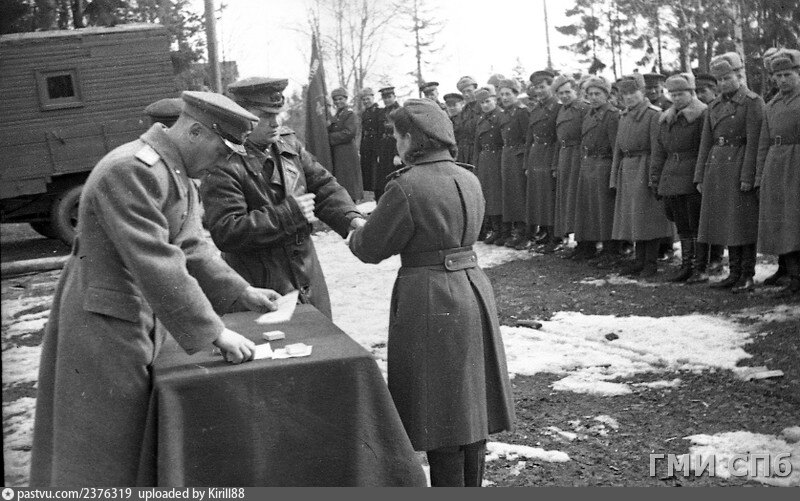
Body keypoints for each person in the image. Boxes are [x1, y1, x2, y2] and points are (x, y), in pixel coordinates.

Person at [30, 91, 281, 487]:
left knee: (135, 443)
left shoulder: (175, 172)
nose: (223, 161)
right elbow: (156, 260)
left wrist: (240, 291)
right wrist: (215, 332)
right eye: (221, 150)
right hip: (104, 323)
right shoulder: (131, 170)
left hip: (134, 315)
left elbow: (191, 246)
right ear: (195, 132)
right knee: (107, 449)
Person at [348, 98, 515, 487]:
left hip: (429, 294)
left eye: (397, 135)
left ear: (411, 138)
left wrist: (357, 228)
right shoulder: (468, 177)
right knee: (471, 404)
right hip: (472, 287)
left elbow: (370, 248)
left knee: (441, 410)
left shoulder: (406, 185)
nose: (396, 143)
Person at [200, 77, 365, 319]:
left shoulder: (288, 144)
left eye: (277, 114)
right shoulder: (222, 163)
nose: (275, 123)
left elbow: (323, 186)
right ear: (241, 116)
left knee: (322, 339)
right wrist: (289, 214)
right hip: (261, 287)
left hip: (308, 277)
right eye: (265, 116)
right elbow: (227, 231)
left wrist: (351, 219)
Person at [695, 53, 764, 293]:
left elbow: (754, 142)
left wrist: (748, 176)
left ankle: (747, 274)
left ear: (738, 76)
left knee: (743, 223)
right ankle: (733, 273)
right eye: (720, 80)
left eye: (727, 78)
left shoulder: (752, 102)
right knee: (728, 222)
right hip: (717, 167)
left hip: (739, 163)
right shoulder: (713, 106)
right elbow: (706, 143)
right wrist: (700, 175)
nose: (723, 83)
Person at [610, 74, 674, 277]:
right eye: (625, 93)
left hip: (645, 168)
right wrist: (614, 176)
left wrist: (654, 176)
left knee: (649, 217)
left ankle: (650, 262)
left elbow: (657, 149)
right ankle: (639, 260)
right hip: (628, 169)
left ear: (642, 91)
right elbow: (618, 150)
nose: (629, 97)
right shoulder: (624, 116)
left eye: (633, 92)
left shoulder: (653, 115)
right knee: (634, 218)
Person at [650, 73, 709, 282]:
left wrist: (700, 177)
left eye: (680, 94)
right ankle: (686, 265)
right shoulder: (665, 118)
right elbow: (659, 151)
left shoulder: (702, 115)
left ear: (691, 93)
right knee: (681, 223)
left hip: (692, 174)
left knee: (696, 223)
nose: (676, 98)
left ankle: (700, 267)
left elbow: (704, 147)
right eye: (673, 94)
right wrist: (655, 178)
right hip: (671, 175)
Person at [755, 49, 800, 296]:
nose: (782, 80)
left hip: (796, 163)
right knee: (783, 221)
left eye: (787, 75)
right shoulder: (771, 105)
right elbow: (763, 142)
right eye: (778, 75)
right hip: (776, 165)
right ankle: (793, 276)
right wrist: (760, 175)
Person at [574, 76, 620, 264]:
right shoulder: (589, 114)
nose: (593, 97)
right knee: (590, 209)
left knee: (605, 210)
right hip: (589, 165)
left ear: (606, 95)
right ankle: (589, 246)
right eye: (590, 94)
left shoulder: (612, 115)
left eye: (597, 94)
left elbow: (616, 147)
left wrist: (614, 174)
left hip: (603, 165)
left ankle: (611, 250)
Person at [552, 75, 589, 257]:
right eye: (560, 93)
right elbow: (558, 140)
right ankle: (575, 240)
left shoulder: (583, 108)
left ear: (576, 91)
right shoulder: (562, 109)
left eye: (568, 92)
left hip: (578, 156)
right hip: (565, 157)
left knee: (579, 200)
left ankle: (586, 243)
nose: (564, 96)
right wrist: (555, 164)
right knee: (568, 200)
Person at [524, 70, 561, 252]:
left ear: (551, 86)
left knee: (550, 196)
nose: (539, 91)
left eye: (542, 87)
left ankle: (556, 237)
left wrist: (555, 163)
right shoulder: (535, 109)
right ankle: (545, 231)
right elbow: (529, 138)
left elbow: (559, 138)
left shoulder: (558, 108)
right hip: (536, 155)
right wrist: (526, 163)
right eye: (536, 88)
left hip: (550, 153)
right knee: (539, 195)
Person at [498, 78, 530, 249]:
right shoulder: (504, 113)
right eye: (502, 94)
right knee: (510, 195)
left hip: (518, 157)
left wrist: (524, 161)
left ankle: (526, 234)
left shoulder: (522, 112)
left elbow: (528, 138)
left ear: (516, 94)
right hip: (507, 157)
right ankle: (517, 231)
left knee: (520, 195)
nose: (504, 97)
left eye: (508, 94)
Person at [474, 85, 508, 244]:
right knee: (488, 195)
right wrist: (476, 163)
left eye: (488, 101)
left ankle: (504, 231)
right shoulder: (481, 119)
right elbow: (477, 145)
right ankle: (495, 230)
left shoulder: (501, 116)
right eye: (482, 103)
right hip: (485, 160)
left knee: (498, 195)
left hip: (497, 157)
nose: (485, 105)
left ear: (494, 100)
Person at [328, 87, 364, 202]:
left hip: (347, 153)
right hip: (338, 153)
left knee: (349, 181)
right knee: (341, 180)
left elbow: (349, 133)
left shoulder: (350, 114)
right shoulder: (337, 115)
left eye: (340, 99)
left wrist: (329, 138)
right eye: (335, 100)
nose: (338, 102)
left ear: (346, 99)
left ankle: (352, 204)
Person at [375, 85, 401, 201]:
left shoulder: (400, 111)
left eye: (389, 97)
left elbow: (402, 133)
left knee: (395, 177)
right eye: (384, 98)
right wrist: (378, 153)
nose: (387, 100)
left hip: (395, 146)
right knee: (382, 179)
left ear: (394, 96)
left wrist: (398, 154)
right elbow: (378, 133)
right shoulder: (381, 112)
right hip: (383, 148)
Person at [359, 87, 382, 193]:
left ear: (373, 98)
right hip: (366, 145)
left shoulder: (379, 111)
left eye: (368, 99)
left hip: (375, 145)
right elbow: (363, 132)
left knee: (375, 173)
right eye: (363, 99)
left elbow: (380, 131)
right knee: (367, 171)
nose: (366, 101)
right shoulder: (364, 113)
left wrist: (379, 150)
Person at [456, 75, 481, 165]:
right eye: (463, 92)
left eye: (469, 91)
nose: (466, 94)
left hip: (478, 152)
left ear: (475, 90)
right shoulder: (463, 112)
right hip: (464, 154)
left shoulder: (482, 108)